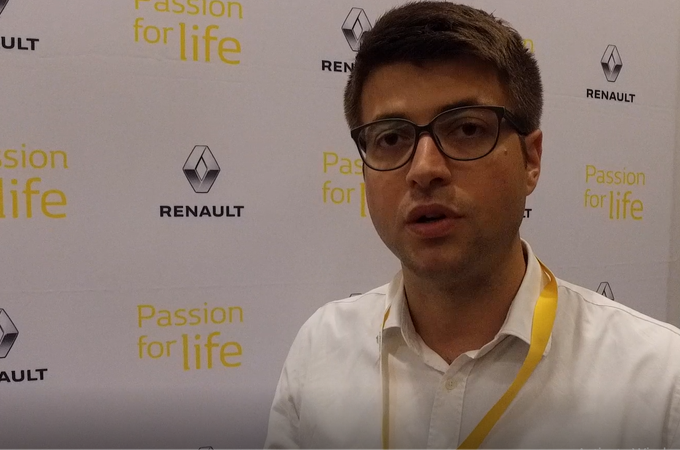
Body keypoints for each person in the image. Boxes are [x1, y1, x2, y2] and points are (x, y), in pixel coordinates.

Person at [265, 2, 680, 448]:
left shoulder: (658, 382)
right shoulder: (321, 349)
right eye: (391, 138)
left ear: (531, 160)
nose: (424, 169)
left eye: (466, 130)